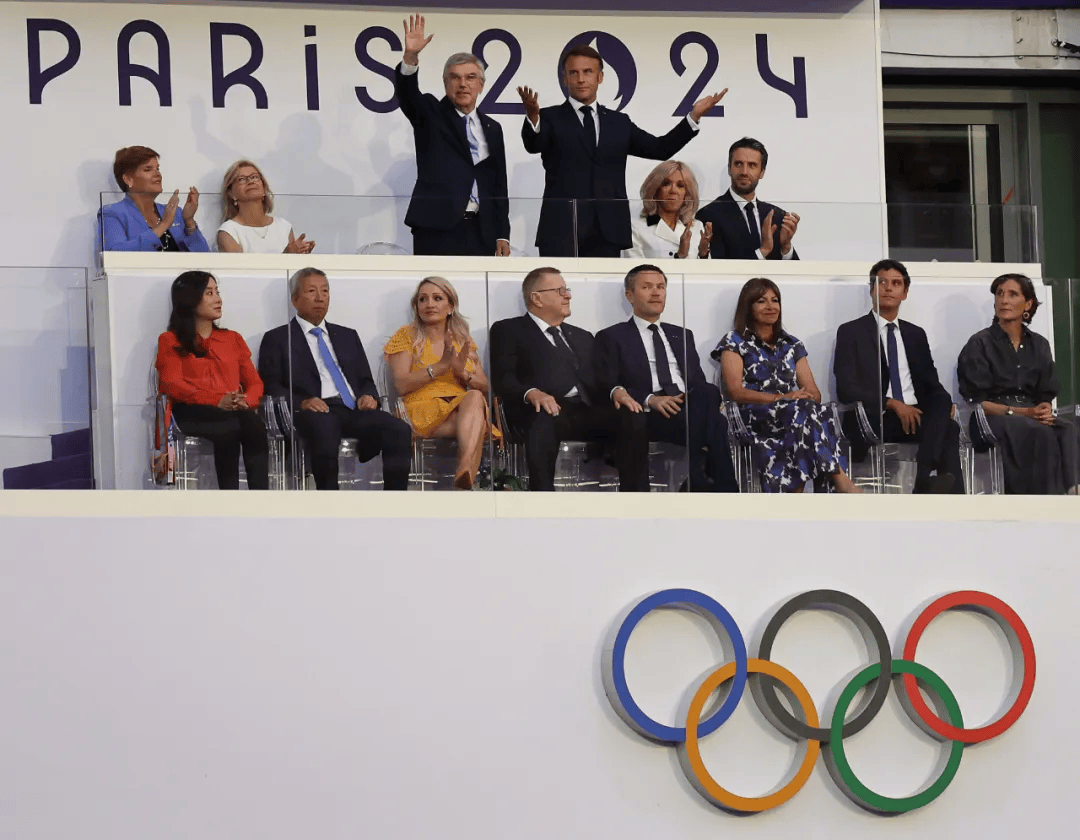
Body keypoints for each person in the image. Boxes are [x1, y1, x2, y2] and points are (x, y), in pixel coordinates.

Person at [517, 45, 726, 258]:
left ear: (600, 77)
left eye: (587, 72)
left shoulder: (619, 123)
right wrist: (534, 118)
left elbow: (660, 148)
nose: (581, 79)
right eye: (574, 72)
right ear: (565, 78)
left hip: (608, 231)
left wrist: (694, 117)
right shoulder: (549, 118)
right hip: (562, 231)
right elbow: (534, 145)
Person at [258, 268, 412, 491]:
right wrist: (303, 402)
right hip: (314, 411)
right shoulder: (278, 338)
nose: (320, 297)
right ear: (295, 299)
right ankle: (329, 499)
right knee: (325, 426)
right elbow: (271, 386)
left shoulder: (347, 335)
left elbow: (365, 379)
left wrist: (369, 396)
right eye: (312, 291)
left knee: (399, 429)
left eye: (325, 291)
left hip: (352, 408)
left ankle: (394, 500)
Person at [594, 265, 738, 492]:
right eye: (647, 287)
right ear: (629, 295)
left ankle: (702, 479)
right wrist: (650, 399)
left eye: (661, 287)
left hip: (685, 407)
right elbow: (607, 382)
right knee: (716, 423)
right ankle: (716, 487)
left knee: (709, 392)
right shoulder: (612, 336)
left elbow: (696, 381)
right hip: (647, 414)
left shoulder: (682, 334)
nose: (656, 292)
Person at [716, 277, 857, 493]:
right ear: (748, 306)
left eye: (775, 300)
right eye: (762, 301)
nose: (771, 306)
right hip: (755, 414)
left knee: (813, 411)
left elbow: (814, 393)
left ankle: (796, 492)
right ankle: (839, 478)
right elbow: (735, 391)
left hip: (794, 414)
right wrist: (779, 398)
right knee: (805, 413)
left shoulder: (792, 343)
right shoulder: (734, 341)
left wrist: (800, 398)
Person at [834, 259, 964, 494]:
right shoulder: (851, 331)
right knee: (948, 430)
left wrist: (944, 404)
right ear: (871, 289)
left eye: (896, 283)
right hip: (876, 416)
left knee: (944, 407)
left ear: (904, 293)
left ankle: (928, 481)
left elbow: (930, 383)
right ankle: (928, 484)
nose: (888, 288)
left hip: (915, 413)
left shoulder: (915, 334)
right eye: (881, 282)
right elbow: (846, 388)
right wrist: (893, 404)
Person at [394, 15, 510, 257]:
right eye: (455, 78)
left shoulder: (493, 127)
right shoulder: (430, 113)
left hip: (483, 231)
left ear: (481, 85)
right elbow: (408, 95)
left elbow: (498, 183)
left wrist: (502, 233)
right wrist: (411, 58)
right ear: (445, 83)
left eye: (470, 78)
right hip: (437, 229)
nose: (463, 84)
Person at [958, 273, 1080, 495]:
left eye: (1012, 294)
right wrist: (1022, 412)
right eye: (999, 294)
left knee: (1069, 429)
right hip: (992, 416)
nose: (1004, 300)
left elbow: (1045, 392)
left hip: (1031, 414)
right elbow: (976, 401)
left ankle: (1073, 492)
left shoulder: (1039, 344)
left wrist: (1043, 408)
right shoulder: (980, 343)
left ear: (1028, 303)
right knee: (1037, 431)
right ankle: (1040, 500)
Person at [489, 267, 610, 491]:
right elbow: (504, 379)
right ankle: (542, 497)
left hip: (586, 411)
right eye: (560, 290)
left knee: (630, 417)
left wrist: (617, 390)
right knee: (543, 419)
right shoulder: (508, 330)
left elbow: (601, 379)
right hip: (541, 412)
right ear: (537, 298)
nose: (568, 295)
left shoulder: (583, 336)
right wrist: (531, 393)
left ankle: (636, 496)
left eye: (567, 290)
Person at [155, 271, 269, 489]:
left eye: (217, 292)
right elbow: (172, 383)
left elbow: (255, 382)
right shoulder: (169, 340)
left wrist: (246, 400)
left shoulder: (232, 338)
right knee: (229, 425)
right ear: (191, 298)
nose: (218, 299)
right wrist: (217, 399)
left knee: (254, 424)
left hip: (233, 409)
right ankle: (228, 496)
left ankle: (260, 497)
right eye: (209, 293)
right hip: (191, 410)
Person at [384, 277, 499, 489]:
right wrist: (441, 366)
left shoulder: (462, 338)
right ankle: (466, 474)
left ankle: (464, 469)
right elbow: (401, 384)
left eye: (437, 298)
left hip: (458, 411)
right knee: (476, 421)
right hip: (420, 410)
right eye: (423, 299)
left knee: (474, 397)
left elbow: (485, 387)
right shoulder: (406, 335)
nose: (430, 304)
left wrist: (462, 373)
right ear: (416, 308)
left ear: (450, 306)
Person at [696, 138, 800, 261]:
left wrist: (786, 247)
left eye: (752, 165)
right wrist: (763, 250)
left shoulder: (777, 216)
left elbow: (794, 274)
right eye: (738, 164)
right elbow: (719, 268)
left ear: (762, 172)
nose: (744, 172)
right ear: (729, 168)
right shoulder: (709, 215)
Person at [100, 146, 209, 252]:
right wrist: (164, 225)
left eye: (157, 168)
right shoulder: (112, 213)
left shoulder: (176, 213)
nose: (157, 174)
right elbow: (115, 254)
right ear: (128, 179)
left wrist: (189, 221)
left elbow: (205, 258)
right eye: (148, 169)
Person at [216, 160, 314, 254]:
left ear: (264, 188)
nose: (250, 182)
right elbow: (241, 269)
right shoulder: (228, 232)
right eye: (241, 179)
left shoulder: (284, 227)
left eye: (254, 177)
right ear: (231, 194)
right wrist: (286, 255)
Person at [623, 160, 712, 260]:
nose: (673, 191)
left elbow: (704, 273)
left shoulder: (697, 227)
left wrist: (704, 255)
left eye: (680, 185)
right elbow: (635, 272)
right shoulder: (636, 228)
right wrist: (679, 256)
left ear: (687, 194)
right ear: (655, 190)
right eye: (666, 184)